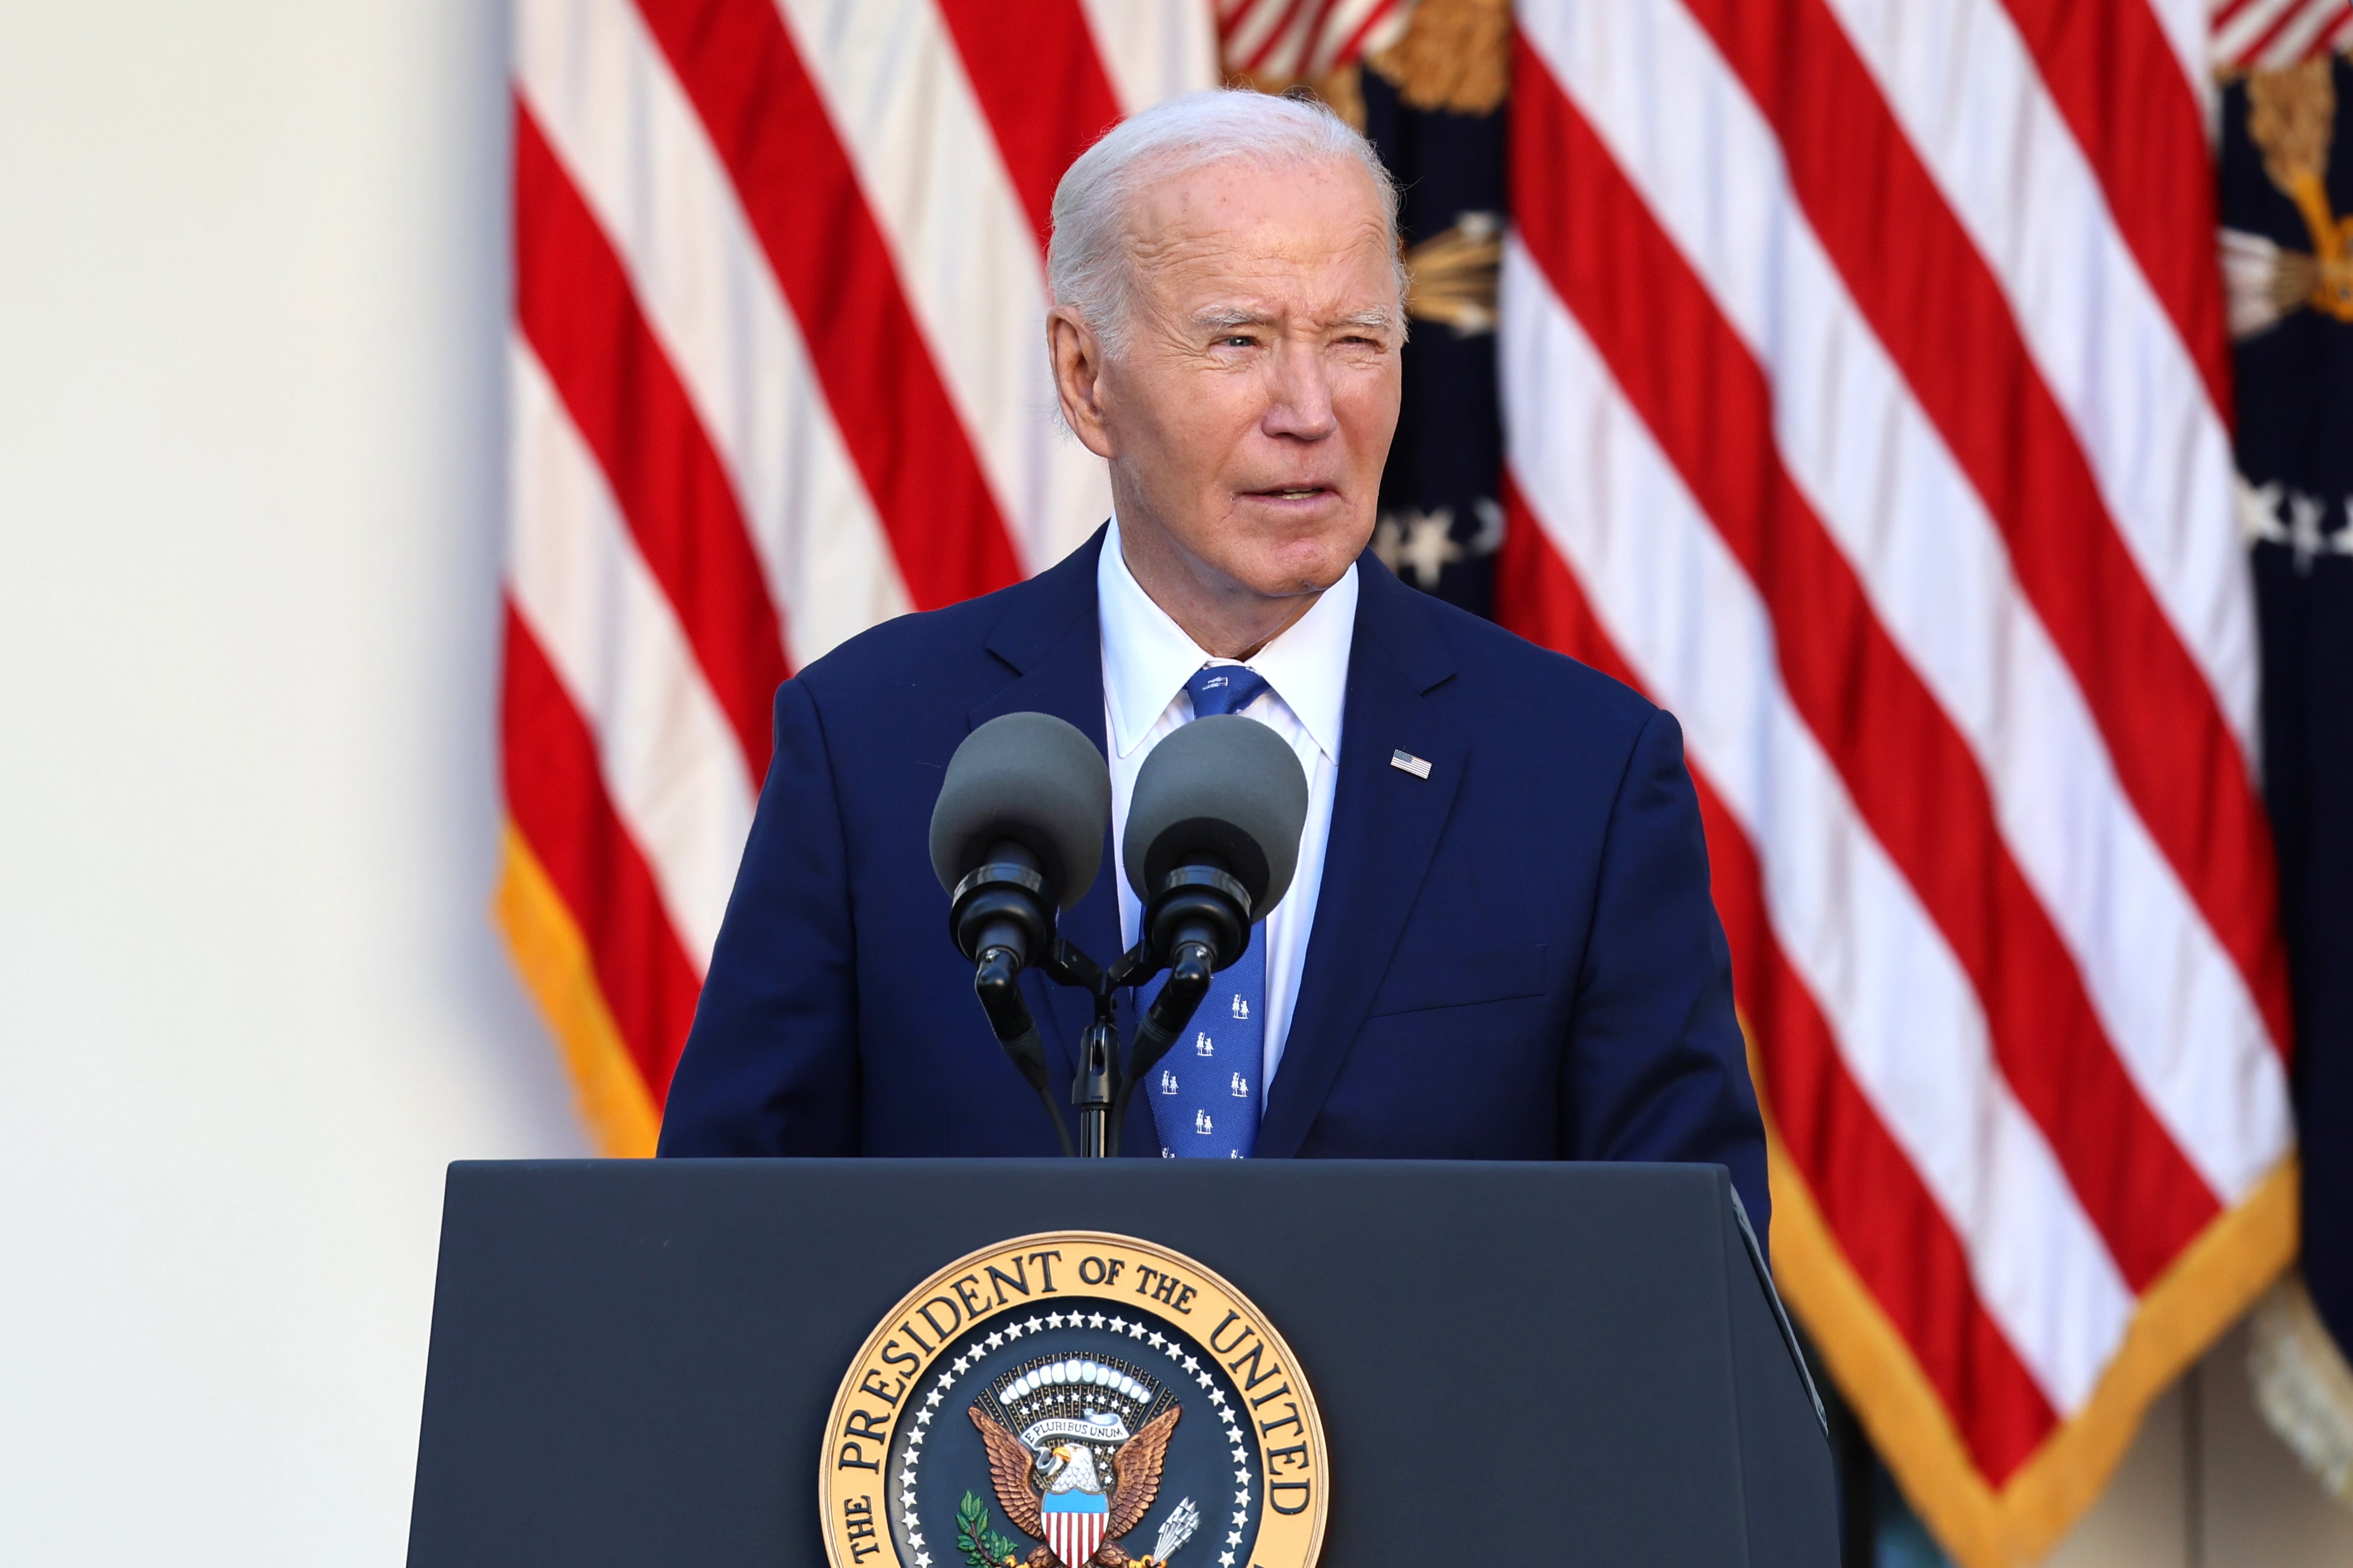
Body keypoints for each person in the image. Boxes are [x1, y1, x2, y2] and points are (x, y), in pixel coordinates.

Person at [656, 89, 1769, 1244]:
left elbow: (1691, 1280)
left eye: (1354, 341)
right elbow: (721, 1243)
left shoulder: (1579, 771)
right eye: (1238, 339)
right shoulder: (873, 743)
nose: (1309, 410)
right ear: (1087, 380)